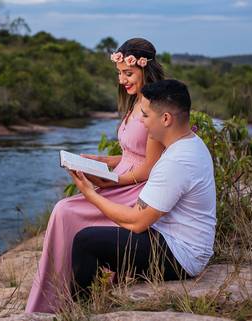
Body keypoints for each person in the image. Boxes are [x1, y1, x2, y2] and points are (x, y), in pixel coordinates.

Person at [25, 38, 165, 313]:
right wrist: (99, 161)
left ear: (144, 69)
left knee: (65, 210)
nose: (122, 80)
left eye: (128, 73)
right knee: (63, 209)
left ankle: (62, 298)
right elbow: (129, 154)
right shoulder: (136, 102)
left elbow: (149, 167)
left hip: (137, 188)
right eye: (120, 74)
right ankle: (54, 297)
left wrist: (111, 180)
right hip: (122, 180)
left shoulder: (155, 106)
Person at [68, 79, 217, 298]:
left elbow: (137, 223)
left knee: (86, 241)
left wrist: (90, 194)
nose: (143, 122)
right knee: (106, 229)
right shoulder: (190, 143)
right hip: (175, 240)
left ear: (166, 119)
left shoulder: (177, 160)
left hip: (181, 257)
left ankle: (82, 309)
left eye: (145, 115)